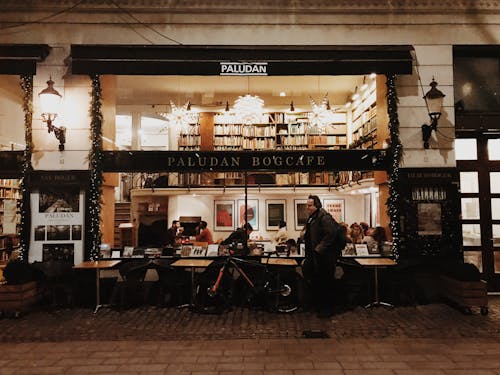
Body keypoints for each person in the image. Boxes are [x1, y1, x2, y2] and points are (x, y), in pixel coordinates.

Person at [302, 194, 339, 318]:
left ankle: (326, 309)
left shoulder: (324, 217)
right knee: (317, 281)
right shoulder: (312, 217)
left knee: (326, 282)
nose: (308, 208)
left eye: (310, 205)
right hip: (314, 256)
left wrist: (319, 249)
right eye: (307, 205)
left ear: (317, 205)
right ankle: (318, 306)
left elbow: (331, 233)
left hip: (324, 258)